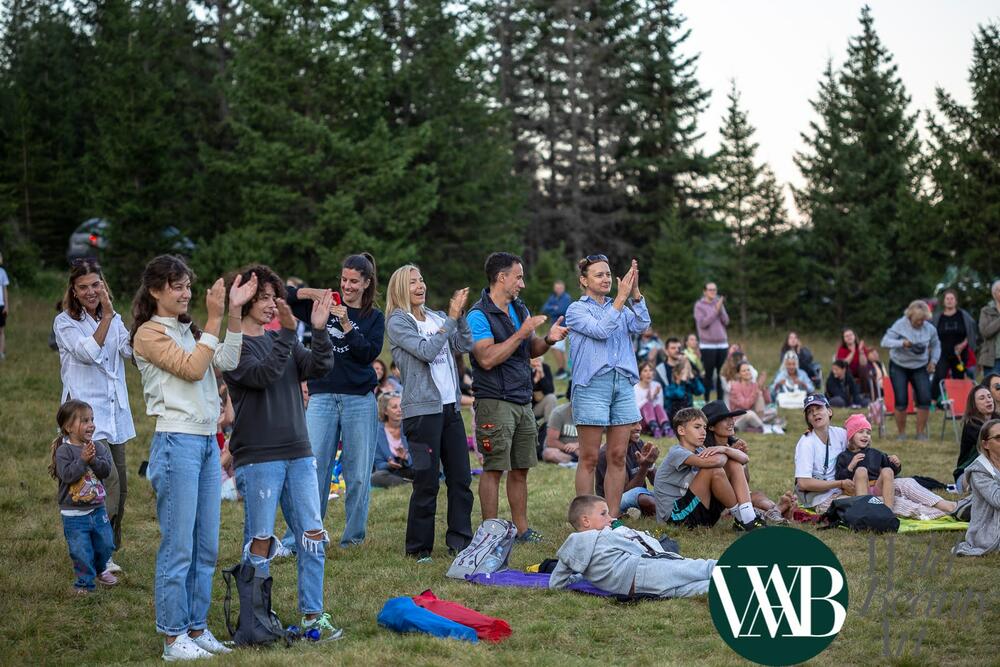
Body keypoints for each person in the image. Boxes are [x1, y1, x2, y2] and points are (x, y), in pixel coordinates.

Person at [131, 255, 255, 660]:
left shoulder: (190, 330)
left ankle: (197, 629)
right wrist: (215, 319)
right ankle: (172, 637)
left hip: (205, 441)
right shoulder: (148, 334)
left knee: (206, 546)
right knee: (178, 545)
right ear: (155, 291)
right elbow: (190, 369)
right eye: (177, 286)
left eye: (187, 286)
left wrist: (233, 313)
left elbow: (227, 361)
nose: (185, 293)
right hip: (176, 443)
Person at [221, 266, 343, 641]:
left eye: (274, 298)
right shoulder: (234, 347)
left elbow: (319, 366)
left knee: (312, 534)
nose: (272, 305)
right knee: (260, 538)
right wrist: (289, 335)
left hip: (298, 452)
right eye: (263, 299)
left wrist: (319, 329)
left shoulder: (284, 339)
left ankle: (313, 614)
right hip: (259, 457)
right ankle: (254, 619)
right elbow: (261, 376)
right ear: (243, 301)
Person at [285, 253, 384, 549]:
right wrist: (311, 293)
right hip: (322, 396)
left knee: (356, 474)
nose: (348, 285)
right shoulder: (322, 308)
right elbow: (283, 297)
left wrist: (347, 326)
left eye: (354, 281)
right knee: (313, 469)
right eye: (344, 280)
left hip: (358, 400)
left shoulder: (374, 318)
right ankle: (306, 535)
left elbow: (368, 355)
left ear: (366, 283)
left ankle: (352, 539)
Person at [469, 253, 568, 543]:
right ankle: (490, 532)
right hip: (494, 400)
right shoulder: (478, 315)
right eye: (519, 276)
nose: (522, 284)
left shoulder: (519, 307)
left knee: (521, 468)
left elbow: (529, 349)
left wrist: (548, 339)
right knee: (494, 467)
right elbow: (487, 358)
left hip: (522, 398)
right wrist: (520, 333)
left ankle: (522, 530)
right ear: (502, 277)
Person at [385, 264, 474, 562]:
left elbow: (464, 344)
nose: (420, 286)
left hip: (449, 409)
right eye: (412, 282)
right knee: (427, 481)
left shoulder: (436, 317)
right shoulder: (398, 321)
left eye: (421, 280)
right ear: (400, 288)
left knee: (460, 477)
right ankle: (419, 548)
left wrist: (458, 317)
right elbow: (426, 351)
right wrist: (450, 318)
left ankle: (460, 541)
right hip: (422, 413)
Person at [54, 259, 135, 575]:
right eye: (83, 286)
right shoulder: (64, 323)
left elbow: (130, 351)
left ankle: (107, 550)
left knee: (122, 488)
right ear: (73, 290)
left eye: (95, 285)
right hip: (84, 420)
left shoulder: (112, 320)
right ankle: (98, 553)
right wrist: (110, 317)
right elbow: (87, 352)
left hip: (115, 416)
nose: (90, 291)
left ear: (103, 286)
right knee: (107, 481)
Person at [566, 255, 650, 518]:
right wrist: (621, 299)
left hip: (622, 384)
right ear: (584, 280)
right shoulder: (576, 310)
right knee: (589, 457)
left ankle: (611, 518)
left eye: (608, 274)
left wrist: (635, 295)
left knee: (617, 455)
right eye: (598, 275)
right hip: (592, 386)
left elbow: (642, 325)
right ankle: (586, 519)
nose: (605, 279)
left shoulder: (622, 308)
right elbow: (601, 330)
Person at [549, 495, 717, 599]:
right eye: (603, 513)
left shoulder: (569, 550)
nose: (610, 518)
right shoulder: (605, 534)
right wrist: (662, 556)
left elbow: (556, 583)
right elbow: (638, 546)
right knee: (700, 568)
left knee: (685, 590)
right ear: (586, 521)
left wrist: (577, 578)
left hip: (633, 589)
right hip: (644, 569)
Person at [652, 407, 762, 531]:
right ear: (681, 430)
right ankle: (742, 519)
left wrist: (725, 449)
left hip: (696, 512)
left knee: (733, 464)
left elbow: (744, 459)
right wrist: (726, 450)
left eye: (704, 427)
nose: (703, 432)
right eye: (697, 427)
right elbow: (716, 462)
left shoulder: (700, 450)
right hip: (675, 519)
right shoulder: (676, 452)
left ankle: (748, 518)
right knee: (714, 469)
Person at [49, 400, 117, 594]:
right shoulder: (64, 451)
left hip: (97, 508)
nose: (91, 424)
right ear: (68, 427)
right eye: (85, 420)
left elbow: (105, 471)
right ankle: (85, 584)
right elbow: (68, 475)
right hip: (74, 513)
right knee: (80, 550)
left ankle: (101, 568)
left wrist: (93, 459)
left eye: (92, 419)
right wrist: (82, 460)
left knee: (106, 543)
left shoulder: (98, 447)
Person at [835, 414, 956, 519]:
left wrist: (895, 464)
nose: (865, 435)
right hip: (858, 489)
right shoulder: (844, 456)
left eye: (868, 432)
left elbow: (892, 472)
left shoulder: (875, 453)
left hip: (876, 487)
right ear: (851, 436)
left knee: (887, 470)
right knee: (861, 470)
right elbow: (840, 477)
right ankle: (864, 510)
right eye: (861, 432)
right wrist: (851, 466)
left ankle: (887, 511)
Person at [701, 400, 795, 522]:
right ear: (711, 426)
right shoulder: (707, 449)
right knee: (743, 505)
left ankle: (775, 510)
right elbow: (717, 479)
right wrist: (731, 457)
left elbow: (745, 480)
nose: (731, 422)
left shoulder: (733, 444)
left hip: (738, 498)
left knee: (757, 496)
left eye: (731, 418)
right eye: (725, 419)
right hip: (719, 502)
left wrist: (742, 459)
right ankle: (778, 510)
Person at [881, 300, 941, 440]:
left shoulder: (929, 328)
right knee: (901, 400)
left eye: (923, 320)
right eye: (918, 320)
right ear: (910, 316)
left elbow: (936, 345)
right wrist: (902, 343)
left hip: (920, 366)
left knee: (925, 398)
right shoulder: (900, 324)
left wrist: (933, 361)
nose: (921, 323)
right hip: (899, 365)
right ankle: (902, 434)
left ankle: (920, 433)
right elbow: (885, 341)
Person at [793, 394, 851, 514]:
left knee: (896, 484)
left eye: (819, 408)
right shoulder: (806, 443)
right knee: (857, 503)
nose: (814, 413)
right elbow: (803, 483)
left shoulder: (840, 434)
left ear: (829, 411)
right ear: (808, 419)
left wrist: (888, 460)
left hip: (843, 489)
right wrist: (839, 483)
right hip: (820, 497)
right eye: (810, 412)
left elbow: (861, 445)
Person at [953, 419, 1000, 556]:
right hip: (988, 531)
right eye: (998, 438)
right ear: (985, 444)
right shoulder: (979, 470)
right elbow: (997, 500)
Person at [595, 423, 658, 516]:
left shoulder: (639, 444)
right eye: (633, 424)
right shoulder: (605, 454)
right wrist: (644, 467)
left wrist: (651, 465)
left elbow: (657, 483)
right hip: (613, 502)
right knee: (647, 500)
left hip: (639, 494)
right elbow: (624, 493)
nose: (639, 428)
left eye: (640, 423)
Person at [932, 289, 978, 402]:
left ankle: (959, 401)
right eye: (947, 299)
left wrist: (964, 344)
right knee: (939, 375)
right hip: (942, 353)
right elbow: (932, 335)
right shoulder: (938, 317)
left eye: (952, 299)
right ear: (943, 301)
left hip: (960, 354)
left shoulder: (963, 316)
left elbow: (972, 332)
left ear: (956, 301)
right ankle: (934, 401)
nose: (949, 301)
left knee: (959, 378)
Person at [954, 384, 997, 491]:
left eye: (989, 396)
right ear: (974, 404)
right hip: (966, 476)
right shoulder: (971, 426)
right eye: (982, 398)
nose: (988, 400)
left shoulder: (997, 419)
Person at [693, 282, 729, 400]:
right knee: (708, 374)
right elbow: (703, 323)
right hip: (707, 345)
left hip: (722, 344)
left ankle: (720, 401)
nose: (713, 292)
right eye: (710, 290)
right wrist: (715, 311)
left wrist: (720, 308)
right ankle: (706, 400)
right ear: (704, 291)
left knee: (721, 374)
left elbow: (726, 321)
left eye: (715, 290)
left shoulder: (718, 304)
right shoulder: (699, 306)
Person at [727, 361, 783, 433]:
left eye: (748, 370)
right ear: (739, 374)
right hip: (740, 418)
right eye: (744, 371)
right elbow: (745, 405)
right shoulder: (734, 387)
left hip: (755, 416)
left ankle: (756, 426)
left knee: (773, 411)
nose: (747, 372)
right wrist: (757, 389)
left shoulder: (754, 385)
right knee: (749, 414)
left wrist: (763, 388)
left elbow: (768, 401)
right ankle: (765, 427)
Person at [372, 391, 414, 488]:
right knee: (377, 477)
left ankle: (408, 482)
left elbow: (417, 456)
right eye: (394, 407)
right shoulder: (377, 432)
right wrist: (389, 464)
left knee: (426, 468)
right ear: (385, 411)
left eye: (401, 406)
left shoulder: (410, 426)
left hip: (410, 469)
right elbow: (378, 464)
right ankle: (408, 484)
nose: (399, 410)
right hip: (391, 472)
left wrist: (405, 458)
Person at [541, 280, 572, 379]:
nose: (558, 290)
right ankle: (565, 371)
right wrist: (554, 308)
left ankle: (562, 370)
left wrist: (553, 309)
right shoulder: (553, 297)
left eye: (560, 288)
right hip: (554, 327)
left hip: (563, 327)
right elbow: (544, 308)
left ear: (563, 288)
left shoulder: (566, 298)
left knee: (555, 348)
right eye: (556, 288)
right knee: (561, 349)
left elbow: (562, 310)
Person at [634, 362, 670, 438]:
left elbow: (660, 406)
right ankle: (654, 428)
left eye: (650, 370)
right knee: (647, 405)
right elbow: (635, 409)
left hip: (656, 419)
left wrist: (654, 397)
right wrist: (648, 399)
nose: (648, 373)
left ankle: (666, 427)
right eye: (645, 371)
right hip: (640, 421)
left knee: (657, 406)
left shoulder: (657, 385)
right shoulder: (635, 387)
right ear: (640, 374)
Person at [543, 399, 579, 464]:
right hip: (561, 450)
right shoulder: (559, 413)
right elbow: (551, 442)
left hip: (581, 449)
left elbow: (593, 440)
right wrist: (573, 450)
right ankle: (573, 461)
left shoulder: (591, 414)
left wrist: (577, 445)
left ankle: (574, 461)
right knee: (549, 453)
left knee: (601, 449)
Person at [977, 280, 1000, 378]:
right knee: (992, 390)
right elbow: (985, 332)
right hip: (993, 359)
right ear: (994, 293)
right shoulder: (986, 311)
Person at [531, 356, 558, 425]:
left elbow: (550, 390)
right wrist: (535, 379)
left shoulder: (545, 367)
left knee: (551, 398)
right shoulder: (523, 367)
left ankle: (548, 429)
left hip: (538, 406)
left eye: (538, 359)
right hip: (526, 407)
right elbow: (524, 390)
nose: (537, 362)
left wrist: (542, 375)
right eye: (535, 359)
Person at [0, 251, 8, 359]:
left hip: (0, 305)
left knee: (1, 330)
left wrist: (6, 305)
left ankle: (1, 352)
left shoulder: (2, 272)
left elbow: (5, 290)